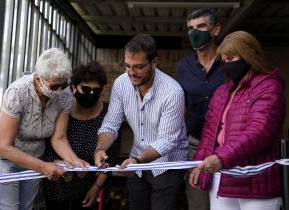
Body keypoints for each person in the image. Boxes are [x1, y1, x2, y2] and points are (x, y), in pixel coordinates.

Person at [189, 31, 286, 210]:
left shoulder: (269, 87)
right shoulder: (222, 92)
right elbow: (210, 133)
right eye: (223, 59)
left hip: (256, 180)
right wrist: (199, 164)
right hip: (223, 176)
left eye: (231, 58)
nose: (226, 64)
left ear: (249, 56)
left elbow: (259, 131)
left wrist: (220, 157)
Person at [0, 48, 89, 210]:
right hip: (2, 158)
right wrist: (43, 167)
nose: (60, 90)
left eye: (64, 84)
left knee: (26, 207)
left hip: (34, 156)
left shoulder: (65, 94)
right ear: (39, 79)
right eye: (54, 87)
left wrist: (75, 161)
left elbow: (59, 137)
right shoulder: (17, 92)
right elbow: (4, 147)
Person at [93, 34, 188, 210]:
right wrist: (100, 149)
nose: (131, 73)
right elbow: (111, 124)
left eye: (138, 67)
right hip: (137, 160)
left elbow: (167, 141)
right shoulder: (122, 83)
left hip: (167, 163)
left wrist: (137, 160)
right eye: (127, 66)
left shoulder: (173, 92)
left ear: (154, 62)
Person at [43, 61, 121, 210]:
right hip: (57, 186)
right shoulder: (62, 108)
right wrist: (60, 162)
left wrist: (96, 188)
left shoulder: (109, 114)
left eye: (96, 91)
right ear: (74, 87)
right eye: (85, 89)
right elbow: (46, 146)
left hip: (89, 189)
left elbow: (111, 157)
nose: (91, 94)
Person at [176, 8, 225, 210]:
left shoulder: (231, 62)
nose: (195, 32)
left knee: (225, 203)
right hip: (195, 145)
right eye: (190, 28)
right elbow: (182, 107)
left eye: (201, 26)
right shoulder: (183, 67)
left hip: (226, 145)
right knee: (199, 205)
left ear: (216, 30)